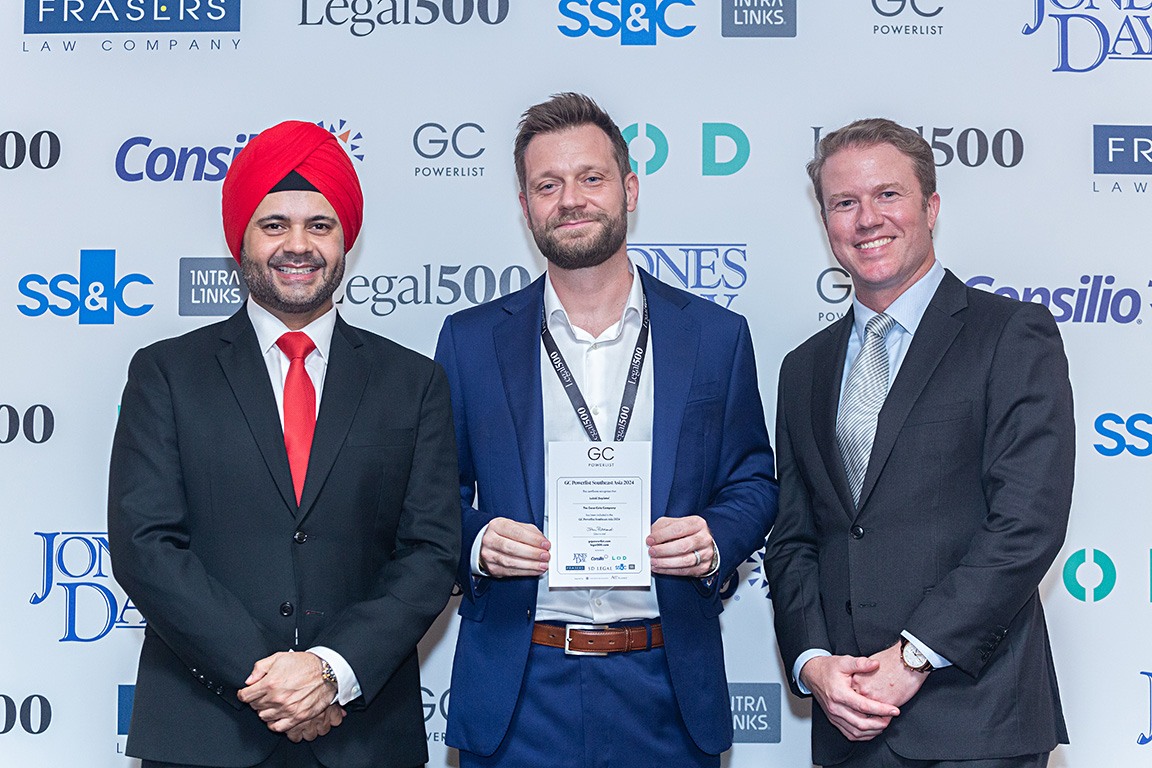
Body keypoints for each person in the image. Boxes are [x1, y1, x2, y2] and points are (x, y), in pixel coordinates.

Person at [435, 92, 778, 768]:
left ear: (629, 189)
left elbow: (753, 480)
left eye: (590, 178)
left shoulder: (716, 337)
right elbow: (429, 496)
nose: (571, 200)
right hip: (519, 691)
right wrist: (477, 541)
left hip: (667, 686)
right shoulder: (470, 342)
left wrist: (714, 538)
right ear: (525, 205)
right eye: (548, 185)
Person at [108, 119, 460, 768]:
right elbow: (145, 545)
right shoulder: (167, 374)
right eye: (274, 224)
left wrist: (332, 670)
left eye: (319, 225)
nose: (298, 245)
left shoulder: (413, 383)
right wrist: (270, 679)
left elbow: (431, 552)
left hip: (363, 736)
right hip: (203, 732)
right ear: (240, 239)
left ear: (345, 238)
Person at [765, 117, 1073, 768]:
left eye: (888, 195)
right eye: (844, 203)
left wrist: (913, 656)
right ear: (826, 222)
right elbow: (794, 538)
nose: (867, 219)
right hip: (849, 724)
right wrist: (814, 662)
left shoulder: (1009, 334)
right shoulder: (803, 368)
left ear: (930, 207)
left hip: (978, 723)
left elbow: (1027, 523)